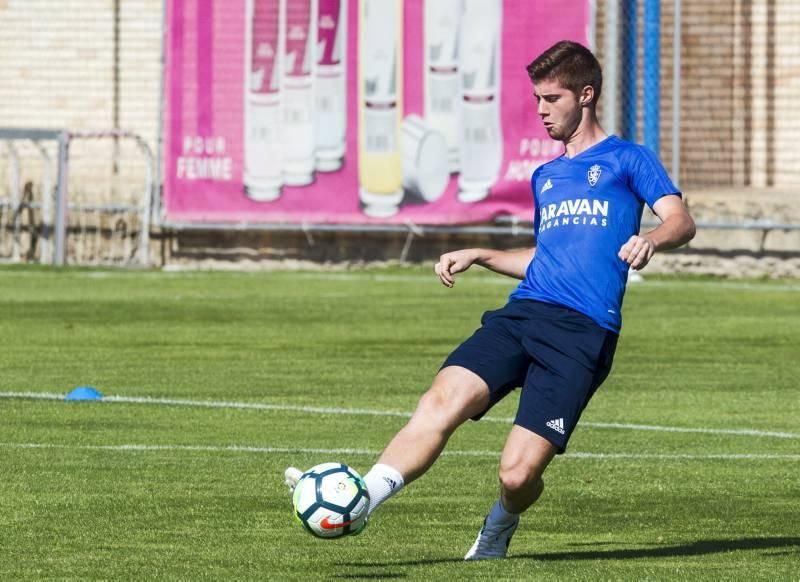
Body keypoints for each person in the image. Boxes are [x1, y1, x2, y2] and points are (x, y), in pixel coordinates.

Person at [285, 40, 696, 560]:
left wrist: (652, 239)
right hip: (523, 312)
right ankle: (362, 500)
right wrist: (482, 253)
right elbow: (549, 257)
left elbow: (681, 219)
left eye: (552, 98)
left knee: (518, 474)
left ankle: (501, 521)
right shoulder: (546, 176)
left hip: (582, 332)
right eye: (537, 99)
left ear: (585, 95)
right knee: (440, 403)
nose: (541, 110)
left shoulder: (628, 159)